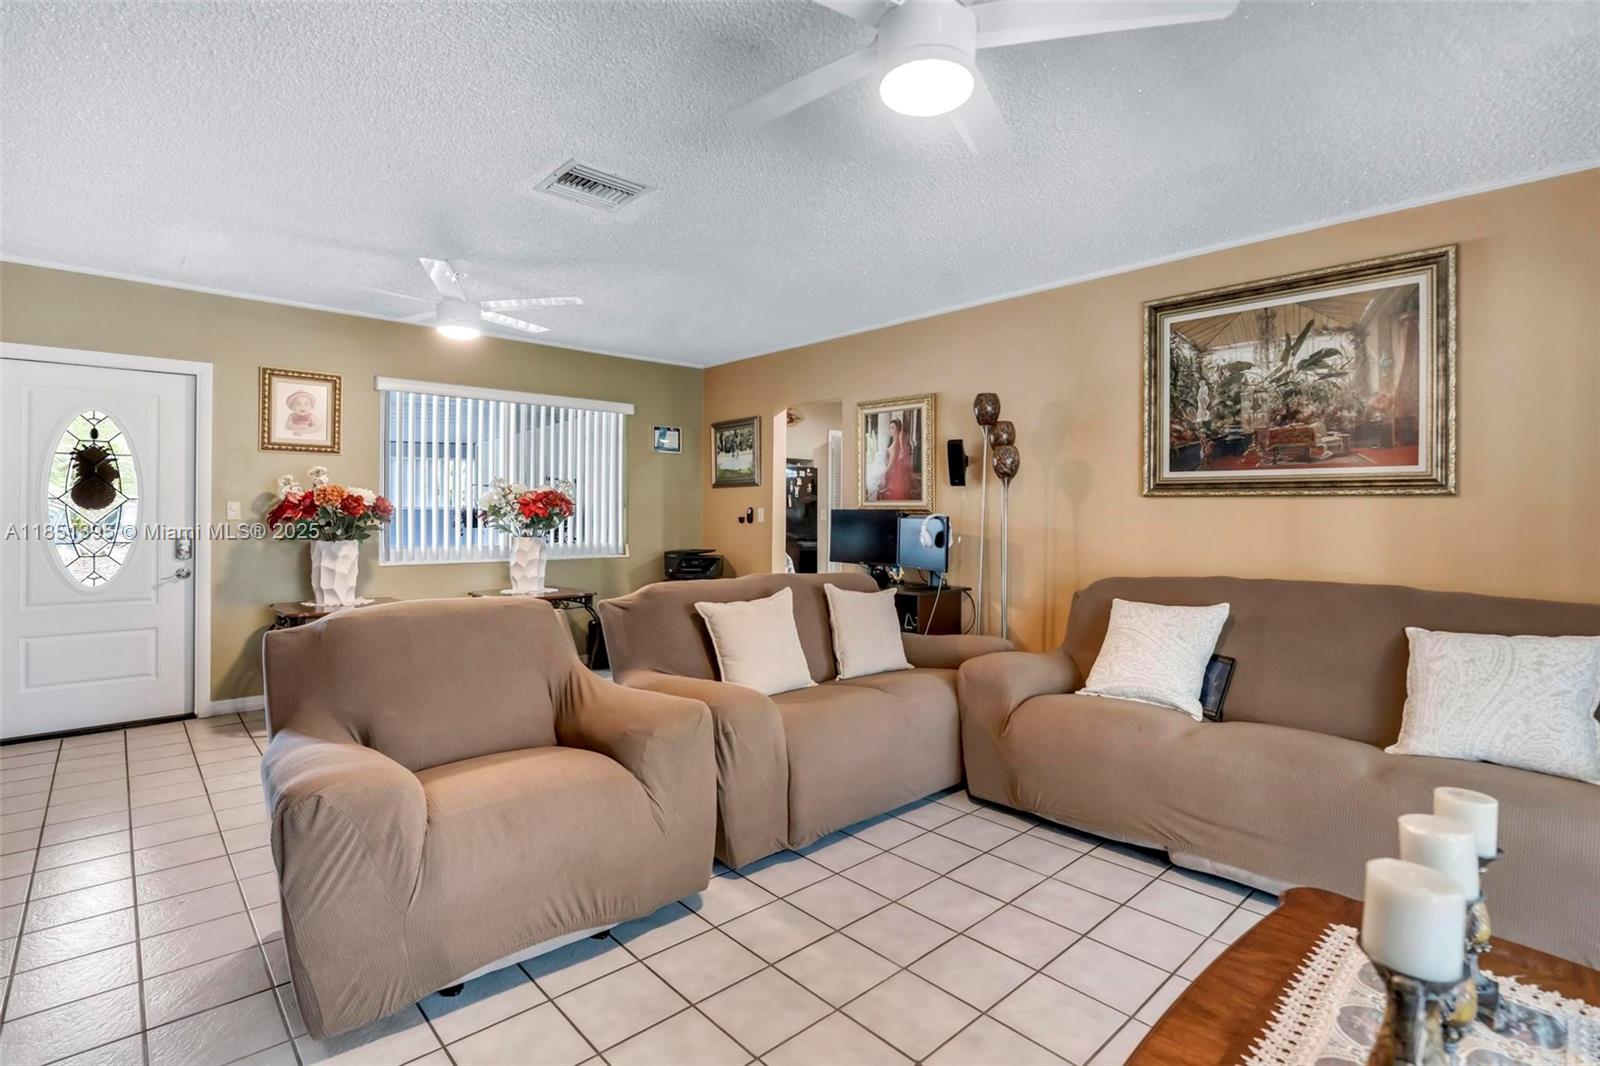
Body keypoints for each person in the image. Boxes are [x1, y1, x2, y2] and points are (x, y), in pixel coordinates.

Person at [881, 416, 916, 501]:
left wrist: (879, 473)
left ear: (897, 430)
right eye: (890, 427)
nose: (890, 430)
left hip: (893, 476)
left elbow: (890, 465)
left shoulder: (895, 446)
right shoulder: (895, 443)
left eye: (893, 428)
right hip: (893, 474)